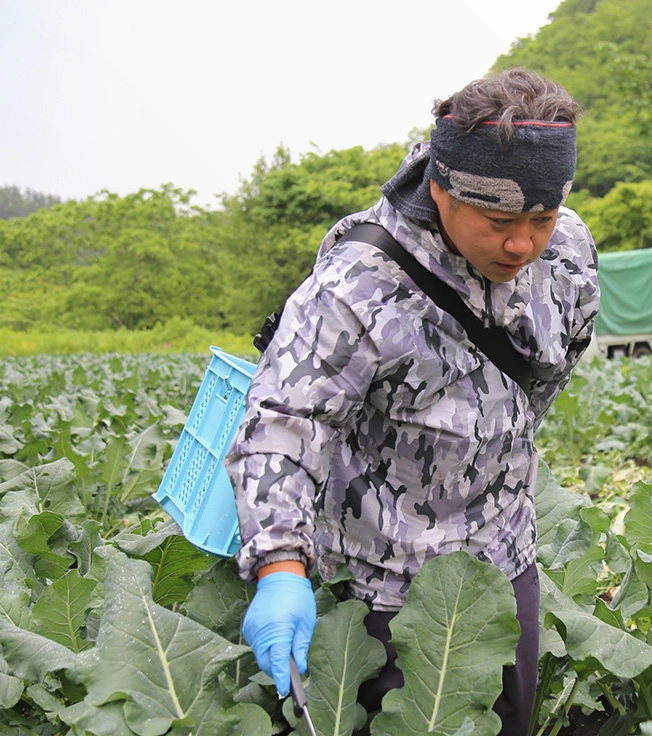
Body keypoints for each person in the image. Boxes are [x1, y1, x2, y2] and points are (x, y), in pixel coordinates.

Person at [227, 67, 599, 736]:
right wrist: (281, 564)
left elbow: (557, 362)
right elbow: (285, 422)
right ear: (441, 189)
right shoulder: (358, 284)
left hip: (502, 567)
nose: (522, 244)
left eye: (540, 218)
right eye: (499, 222)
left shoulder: (567, 250)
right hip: (383, 589)